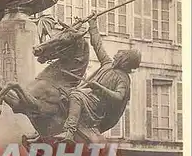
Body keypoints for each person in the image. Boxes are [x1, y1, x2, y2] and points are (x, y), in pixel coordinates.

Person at [54, 12, 141, 142]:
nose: (115, 56)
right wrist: (93, 24)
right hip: (88, 97)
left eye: (119, 55)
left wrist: (99, 87)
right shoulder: (107, 64)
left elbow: (119, 97)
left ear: (125, 60)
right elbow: (97, 45)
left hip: (97, 107)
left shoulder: (123, 79)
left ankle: (69, 133)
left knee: (75, 96)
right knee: (58, 93)